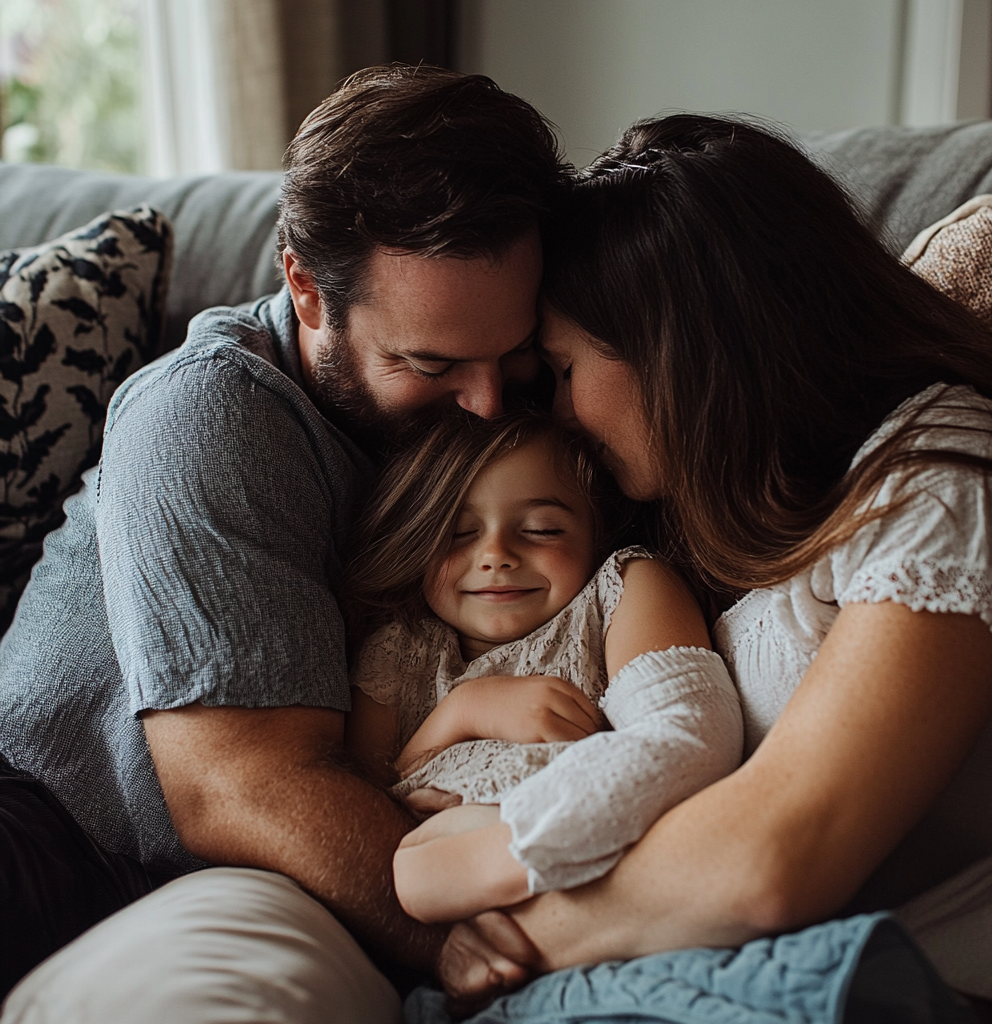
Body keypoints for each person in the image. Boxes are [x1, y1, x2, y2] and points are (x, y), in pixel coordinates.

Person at [0, 65, 569, 1022]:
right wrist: (469, 940)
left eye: (509, 355)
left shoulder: (510, 400)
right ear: (307, 287)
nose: (485, 404)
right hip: (43, 830)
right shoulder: (210, 413)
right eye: (429, 362)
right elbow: (243, 787)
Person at [435, 115, 992, 1019]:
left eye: (561, 371)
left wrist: (528, 929)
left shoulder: (941, 474)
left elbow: (773, 860)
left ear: (674, 345)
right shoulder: (732, 518)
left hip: (931, 983)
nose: (552, 415)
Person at [341, 411, 742, 923]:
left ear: (595, 529)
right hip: (449, 886)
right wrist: (462, 712)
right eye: (459, 533)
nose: (496, 555)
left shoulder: (622, 592)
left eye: (541, 529)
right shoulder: (398, 651)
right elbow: (361, 808)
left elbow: (687, 743)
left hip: (604, 849)